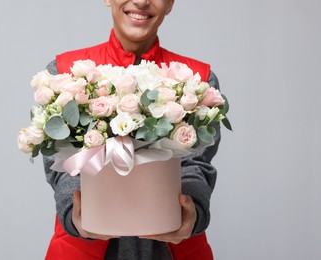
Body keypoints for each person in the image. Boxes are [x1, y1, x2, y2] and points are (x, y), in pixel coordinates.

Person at [43, 0, 220, 259]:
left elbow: (197, 164)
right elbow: (62, 164)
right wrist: (75, 212)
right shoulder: (64, 74)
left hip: (171, 247)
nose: (141, 1)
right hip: (83, 248)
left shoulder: (198, 81)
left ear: (170, 3)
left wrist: (192, 212)